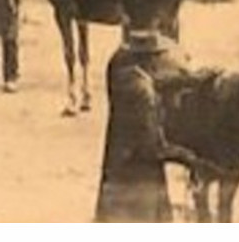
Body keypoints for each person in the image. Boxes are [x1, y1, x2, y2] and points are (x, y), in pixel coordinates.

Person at [94, 29, 222, 223]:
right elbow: (154, 149)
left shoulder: (127, 71)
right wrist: (191, 160)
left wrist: (190, 80)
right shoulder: (143, 97)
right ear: (152, 61)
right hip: (135, 183)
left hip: (120, 172)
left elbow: (158, 81)